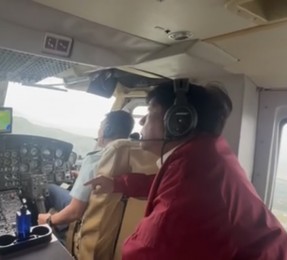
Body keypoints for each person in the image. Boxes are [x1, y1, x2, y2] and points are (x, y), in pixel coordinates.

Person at [85, 80, 287, 260]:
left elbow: (144, 252)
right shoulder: (207, 155)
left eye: (150, 112)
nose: (141, 121)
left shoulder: (191, 177)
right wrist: (118, 184)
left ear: (178, 122)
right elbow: (166, 184)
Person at [37, 110, 134, 229]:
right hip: (111, 218)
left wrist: (48, 219)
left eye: (101, 127)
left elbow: (75, 211)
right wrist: (83, 176)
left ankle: (56, 232)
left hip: (87, 213)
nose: (99, 131)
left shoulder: (94, 159)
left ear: (107, 130)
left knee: (50, 188)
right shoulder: (132, 157)